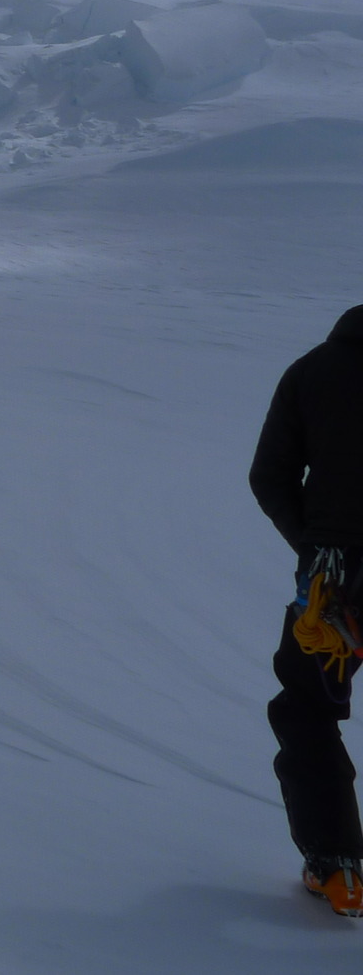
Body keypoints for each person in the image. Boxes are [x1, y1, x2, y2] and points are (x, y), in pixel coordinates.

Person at [251, 305, 363, 916]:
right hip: (333, 575)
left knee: (309, 708)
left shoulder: (313, 371)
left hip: (335, 585)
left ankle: (338, 867)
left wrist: (317, 547)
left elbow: (270, 474)